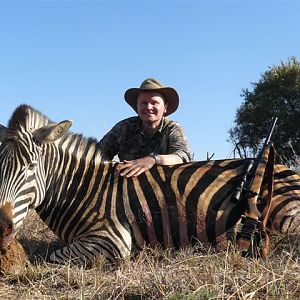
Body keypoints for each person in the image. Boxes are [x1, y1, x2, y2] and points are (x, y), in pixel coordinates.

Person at [97, 78, 192, 177]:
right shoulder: (124, 127)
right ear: (137, 106)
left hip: (164, 187)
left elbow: (182, 156)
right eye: (143, 103)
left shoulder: (172, 128)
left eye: (154, 102)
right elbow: (97, 154)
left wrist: (153, 159)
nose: (148, 107)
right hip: (127, 185)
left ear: (165, 107)